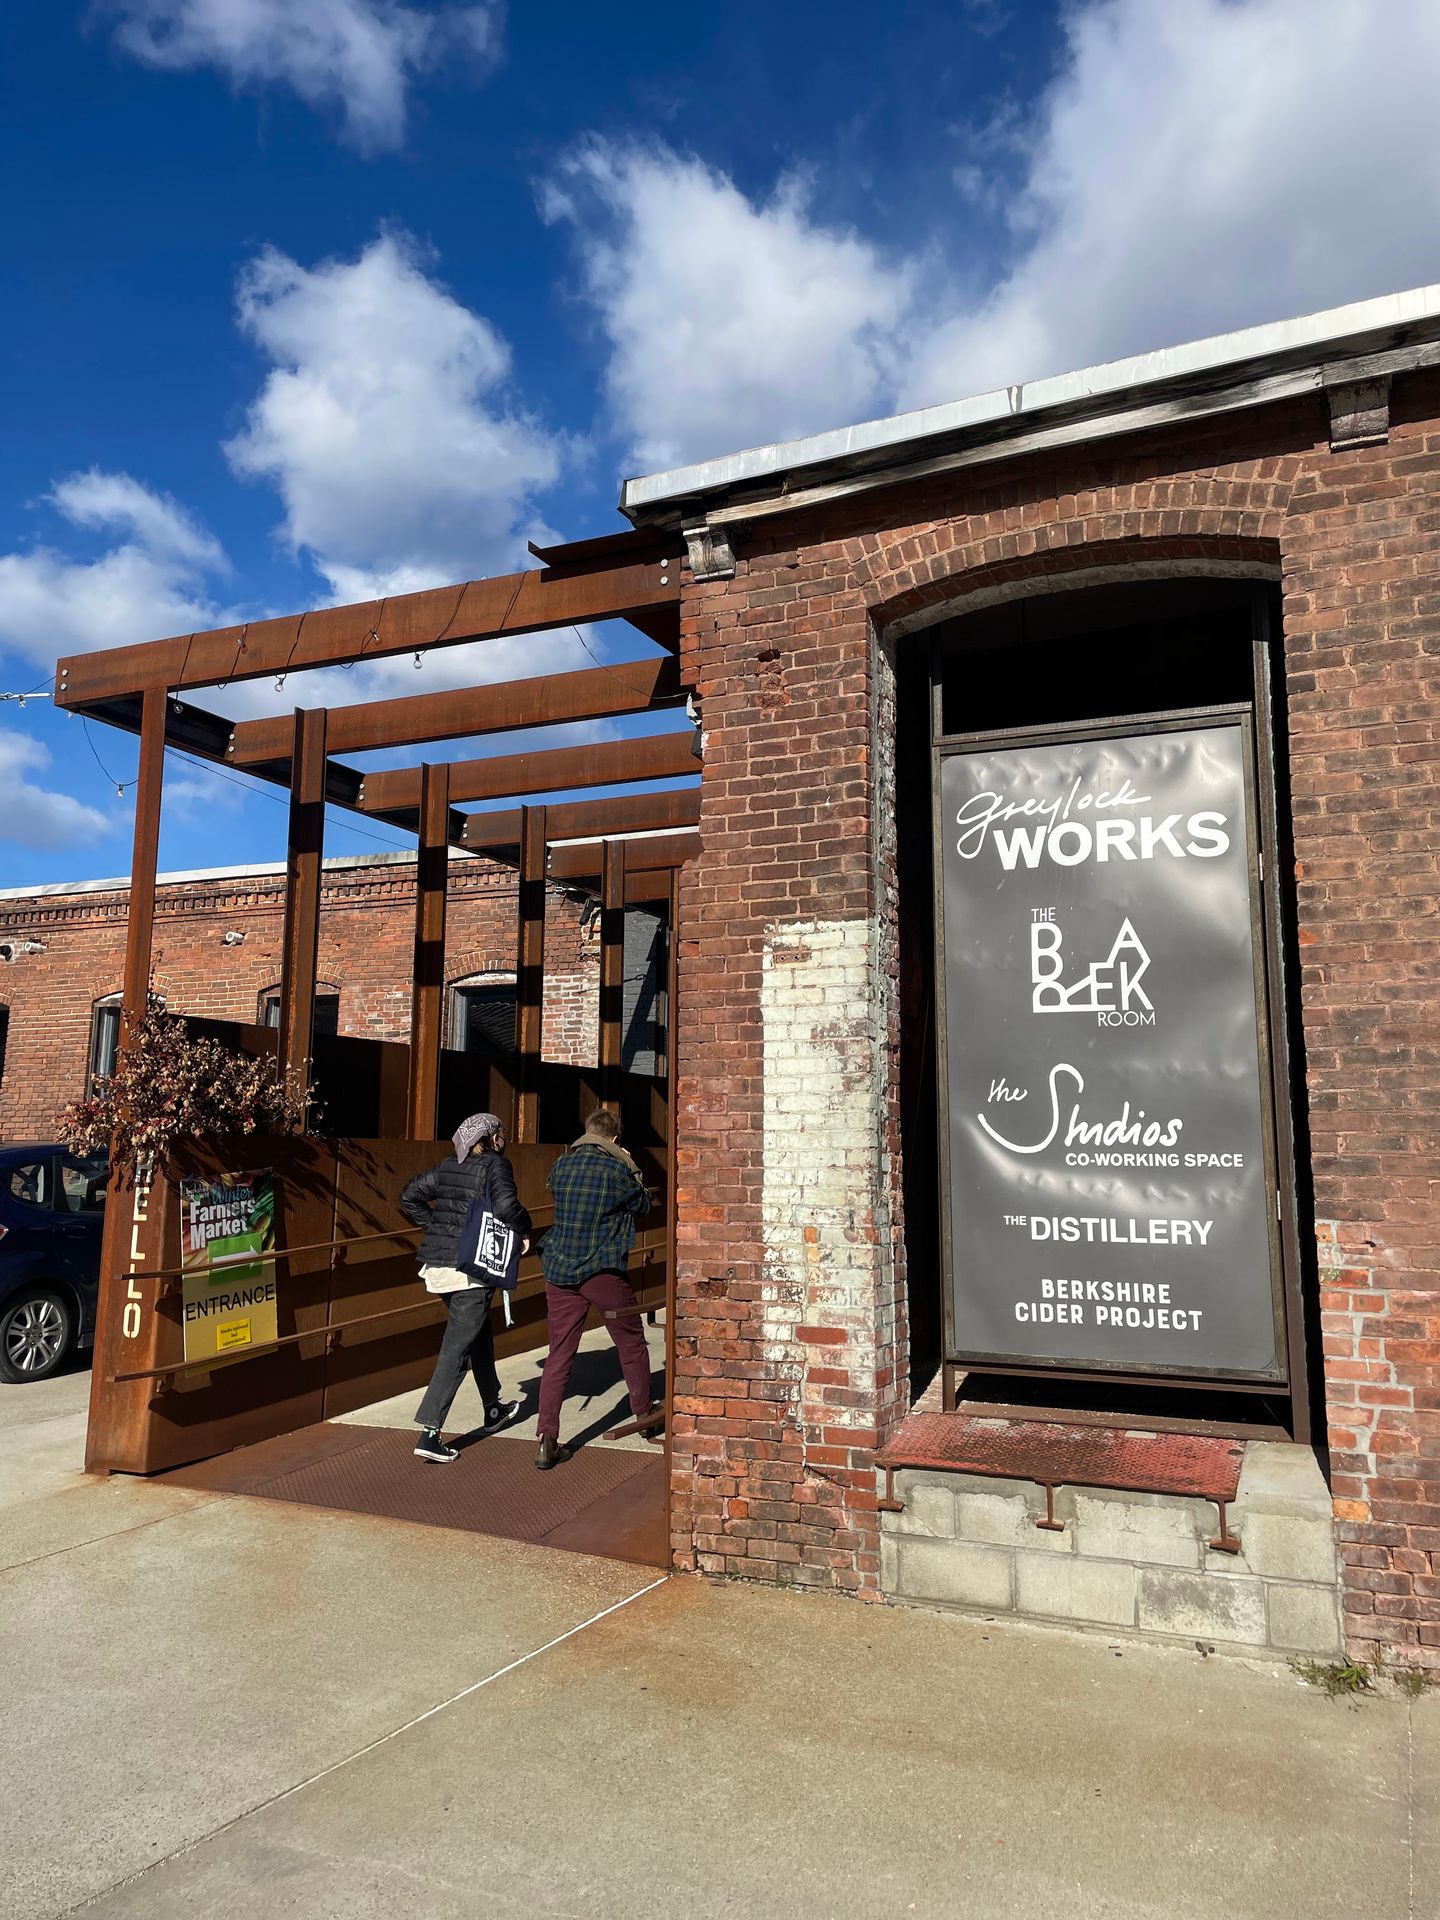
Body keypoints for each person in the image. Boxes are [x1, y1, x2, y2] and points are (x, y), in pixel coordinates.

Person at [399, 1112, 531, 1464]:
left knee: (478, 1334)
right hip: (472, 1271)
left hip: (440, 1268)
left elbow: (409, 1196)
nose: (504, 1138)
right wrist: (526, 1227)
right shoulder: (496, 1165)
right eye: (501, 1132)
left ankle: (493, 1408)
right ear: (490, 1137)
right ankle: (430, 1433)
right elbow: (507, 1206)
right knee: (456, 1349)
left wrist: (440, 1229)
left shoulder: (448, 1165)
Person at [534, 1108, 657, 1470]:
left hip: (559, 1268)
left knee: (559, 1353)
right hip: (602, 1269)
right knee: (631, 1342)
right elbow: (644, 1204)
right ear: (614, 1139)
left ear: (587, 1133)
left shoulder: (561, 1164)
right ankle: (644, 1415)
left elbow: (556, 1194)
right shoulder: (618, 1169)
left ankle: (546, 1438)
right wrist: (631, 1165)